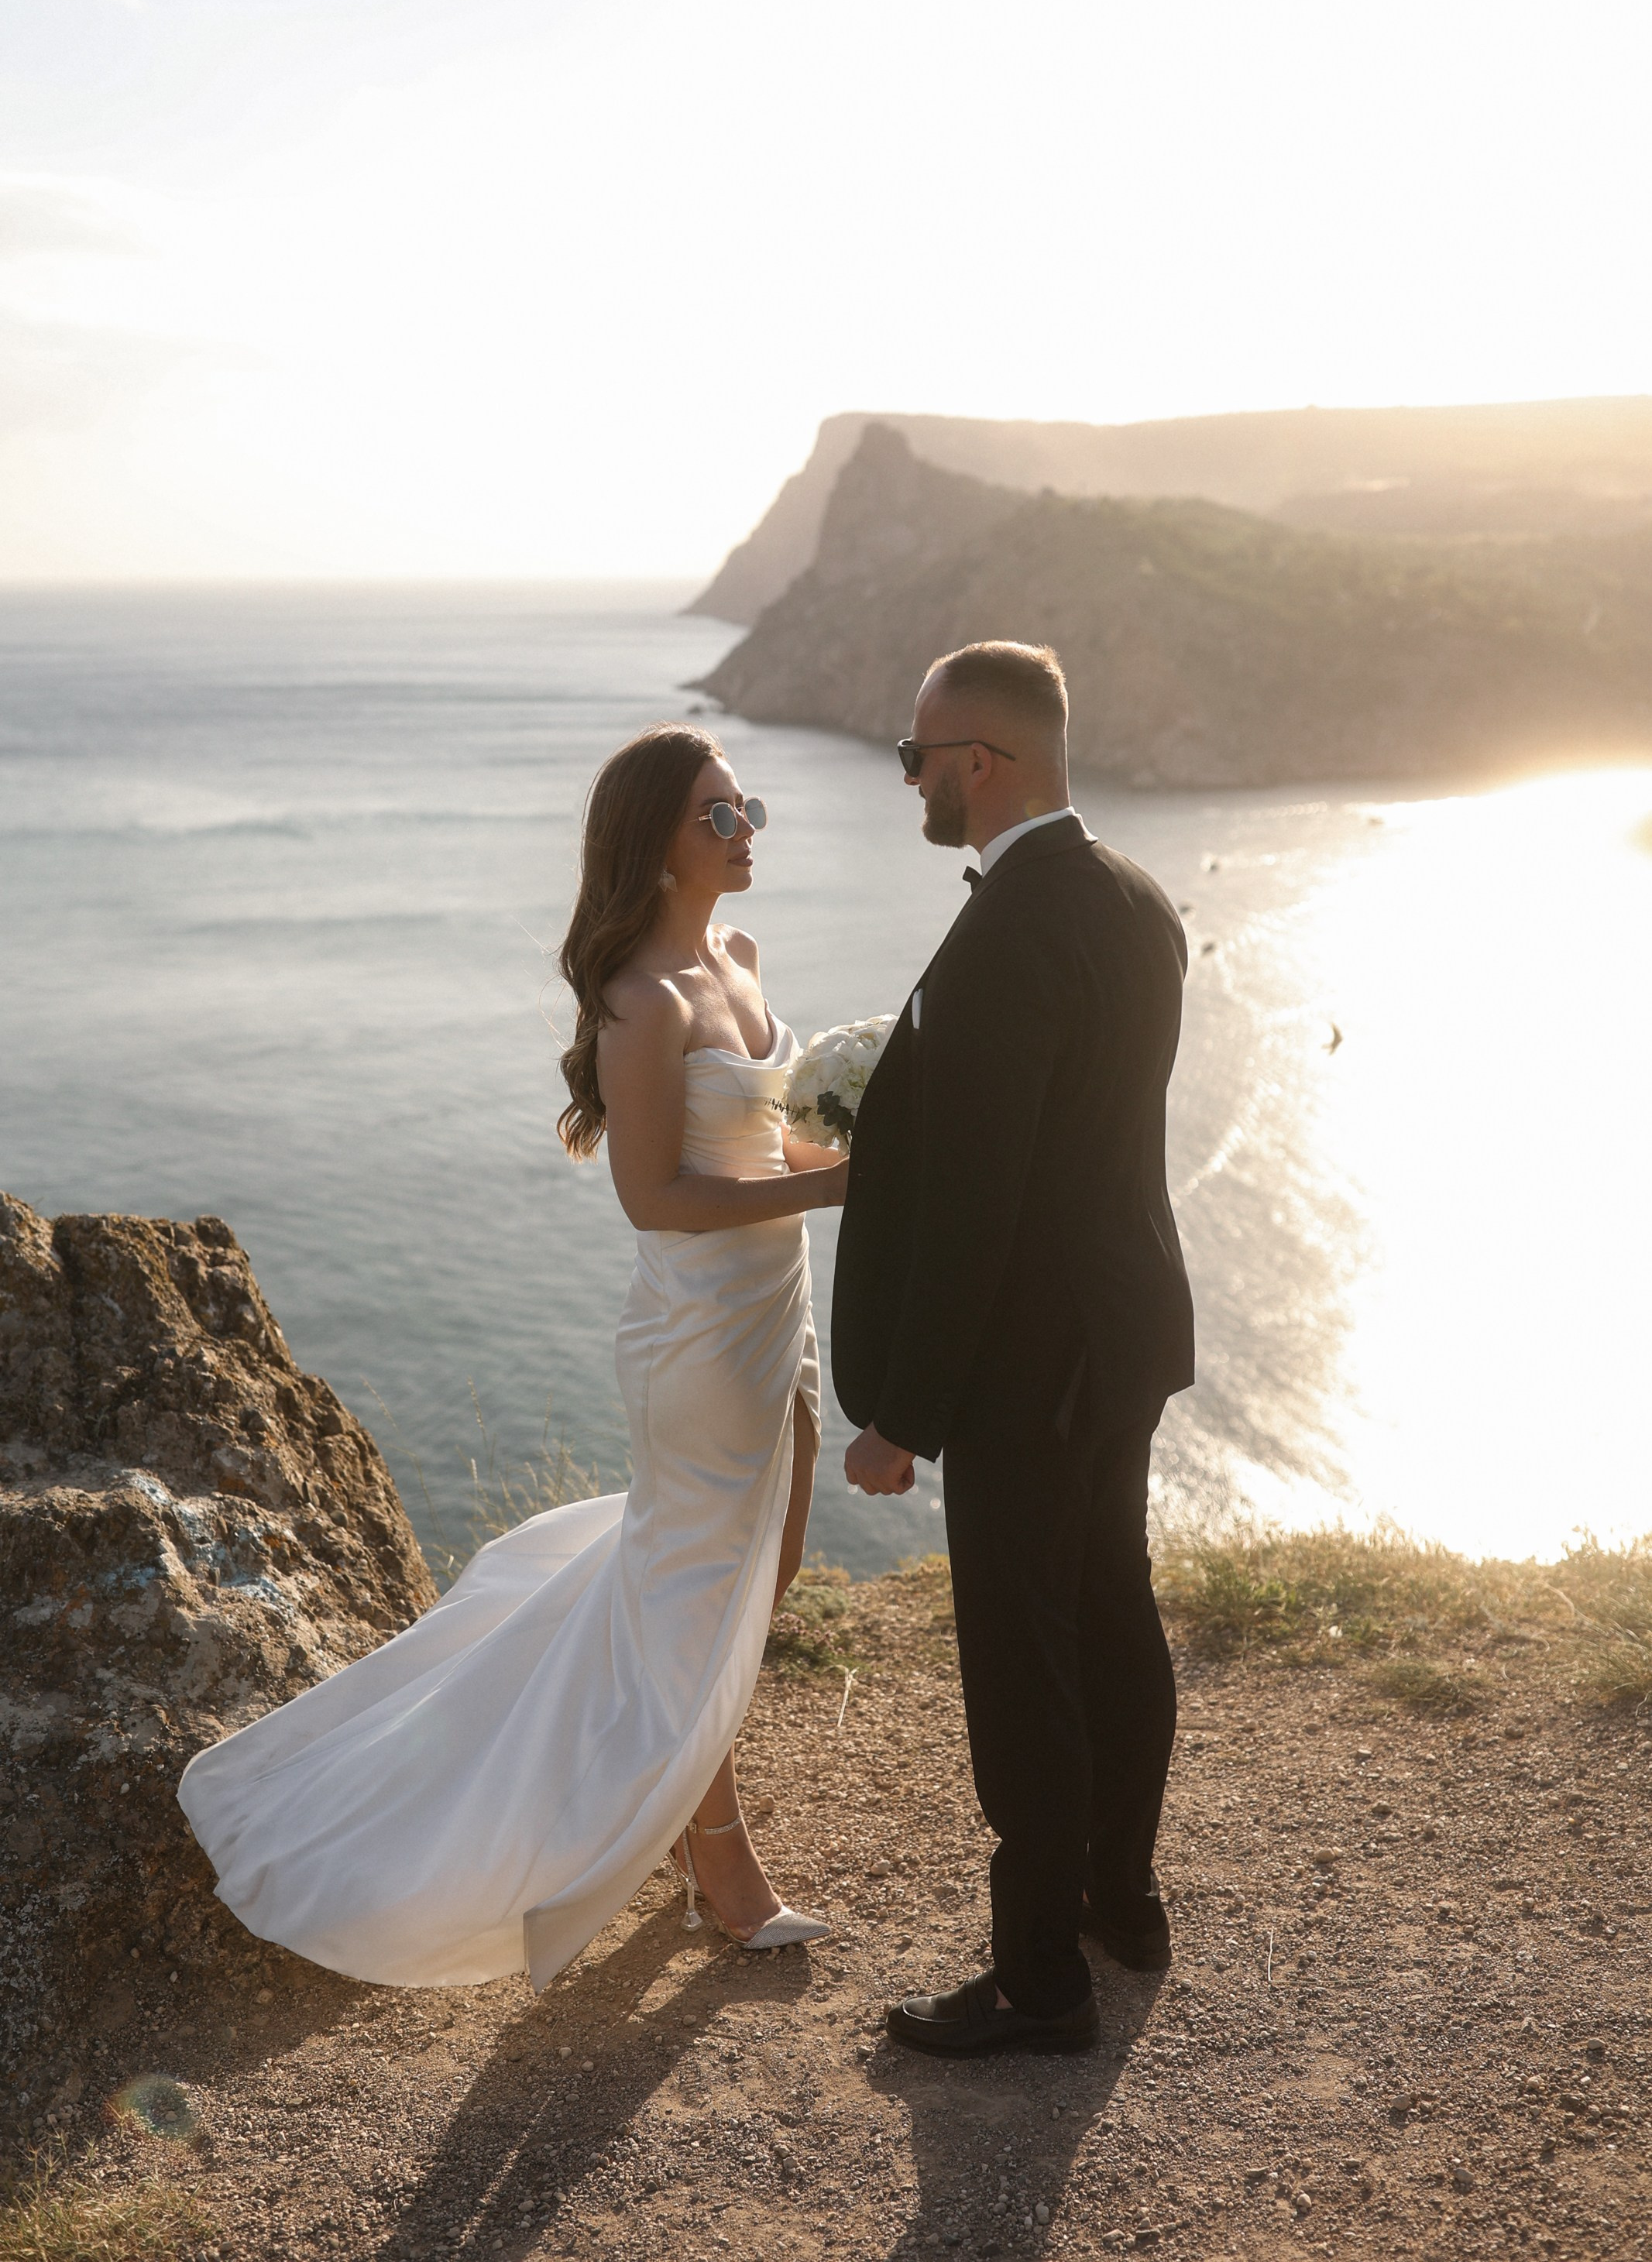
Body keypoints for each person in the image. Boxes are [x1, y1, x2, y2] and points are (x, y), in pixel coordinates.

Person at [180, 723, 842, 1988]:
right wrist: (841, 1187)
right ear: (653, 842)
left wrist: (855, 1157)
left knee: (770, 1563)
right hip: (699, 1336)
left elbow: (766, 1146)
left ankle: (667, 1808)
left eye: (747, 805)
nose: (745, 828)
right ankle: (714, 1852)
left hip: (781, 1314)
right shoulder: (635, 1004)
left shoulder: (742, 960)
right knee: (699, 1587)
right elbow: (655, 1197)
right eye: (717, 814)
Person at [833, 641, 1195, 2056]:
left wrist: (903, 1415)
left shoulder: (1005, 936)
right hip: (1126, 1333)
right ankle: (1126, 1897)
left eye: (918, 758)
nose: (912, 781)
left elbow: (980, 1207)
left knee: (1025, 1658)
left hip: (1028, 1366)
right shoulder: (1135, 898)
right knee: (1114, 1610)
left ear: (979, 763)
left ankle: (1040, 1976)